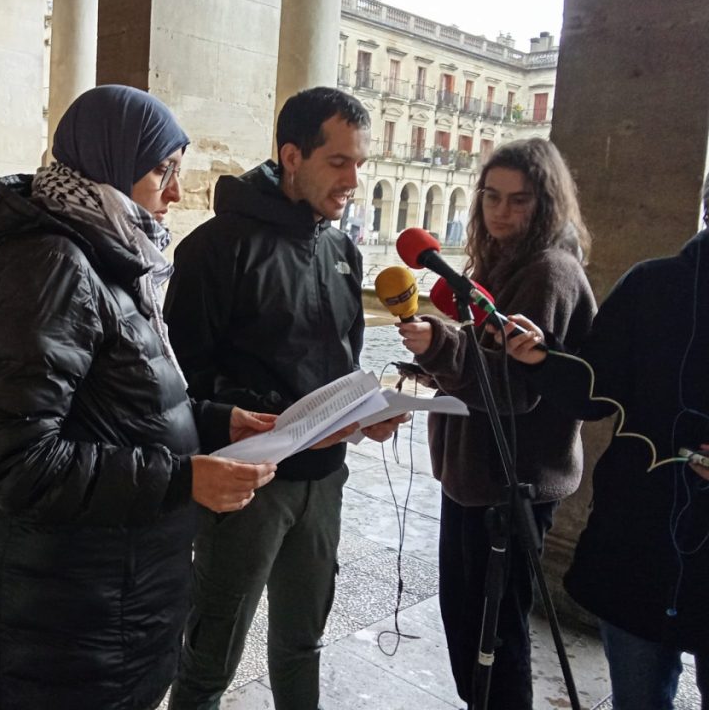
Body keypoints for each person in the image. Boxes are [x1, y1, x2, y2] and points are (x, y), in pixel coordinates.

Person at [0, 85, 278, 710]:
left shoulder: (105, 252)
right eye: (163, 171)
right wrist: (184, 480)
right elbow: (17, 461)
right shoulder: (55, 263)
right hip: (72, 612)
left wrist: (213, 421)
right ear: (112, 160)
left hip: (108, 593)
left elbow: (114, 405)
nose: (177, 193)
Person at [165, 87, 405, 710]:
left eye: (361, 162)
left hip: (325, 481)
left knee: (304, 641)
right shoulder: (214, 250)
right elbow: (179, 384)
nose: (355, 179)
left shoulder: (341, 250)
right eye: (340, 161)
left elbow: (345, 363)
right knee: (212, 650)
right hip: (247, 486)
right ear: (291, 155)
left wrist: (367, 416)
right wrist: (231, 420)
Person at [395, 138, 597, 709]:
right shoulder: (500, 265)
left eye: (520, 200)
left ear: (547, 204)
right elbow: (479, 370)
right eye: (492, 197)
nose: (501, 212)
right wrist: (433, 353)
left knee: (496, 633)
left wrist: (445, 347)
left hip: (513, 482)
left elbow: (516, 390)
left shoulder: (548, 274)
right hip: (473, 476)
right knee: (465, 620)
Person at [502, 229, 709, 710]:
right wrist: (542, 357)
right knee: (638, 699)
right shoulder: (652, 284)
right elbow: (594, 388)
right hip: (638, 539)